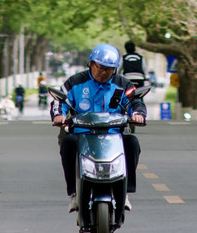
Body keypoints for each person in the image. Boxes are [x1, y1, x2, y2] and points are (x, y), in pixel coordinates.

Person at [50, 43, 146, 211]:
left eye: (108, 69)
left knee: (132, 143)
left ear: (115, 69)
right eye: (100, 67)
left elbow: (135, 101)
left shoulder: (123, 84)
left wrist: (138, 114)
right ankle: (74, 193)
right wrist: (59, 115)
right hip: (82, 134)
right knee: (67, 143)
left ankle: (125, 192)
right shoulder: (75, 82)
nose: (103, 73)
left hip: (114, 134)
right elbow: (60, 101)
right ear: (91, 64)